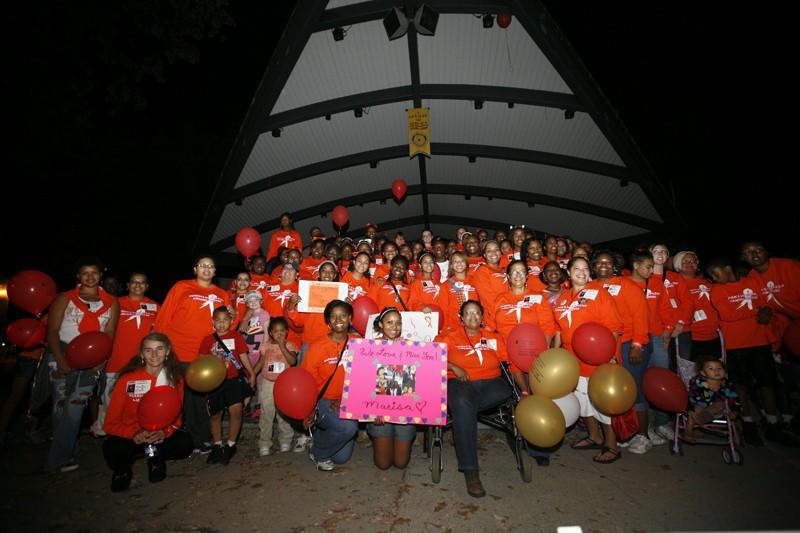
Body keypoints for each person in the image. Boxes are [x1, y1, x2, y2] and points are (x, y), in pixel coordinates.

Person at [435, 300, 524, 497]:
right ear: (461, 317)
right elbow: (431, 357)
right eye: (468, 313)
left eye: (476, 313)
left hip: (492, 384)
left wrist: (524, 390)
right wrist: (452, 366)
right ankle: (470, 471)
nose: (472, 317)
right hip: (460, 383)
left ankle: (464, 413)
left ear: (482, 317)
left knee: (467, 406)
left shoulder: (494, 338)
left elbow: (510, 365)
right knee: (463, 402)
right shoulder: (449, 336)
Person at [45, 256, 120, 472]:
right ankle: (67, 451)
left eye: (94, 273)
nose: (90, 277)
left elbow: (110, 333)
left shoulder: (111, 302)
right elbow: (51, 331)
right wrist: (60, 359)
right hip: (63, 352)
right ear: (78, 276)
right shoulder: (64, 298)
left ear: (100, 276)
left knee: (75, 407)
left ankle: (57, 459)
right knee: (60, 408)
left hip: (93, 358)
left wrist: (102, 360)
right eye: (85, 273)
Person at [706, 257, 790, 445]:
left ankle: (773, 424)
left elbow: (767, 303)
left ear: (727, 268)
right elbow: (727, 314)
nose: (713, 278)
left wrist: (766, 309)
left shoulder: (753, 282)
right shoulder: (717, 290)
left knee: (767, 384)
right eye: (710, 275)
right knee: (740, 386)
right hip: (735, 345)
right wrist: (757, 311)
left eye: (715, 273)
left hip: (760, 342)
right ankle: (748, 424)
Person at [154, 255, 231, 454]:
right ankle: (161, 436)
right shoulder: (181, 287)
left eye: (211, 266)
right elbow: (164, 316)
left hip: (206, 354)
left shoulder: (222, 293)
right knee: (173, 395)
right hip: (178, 350)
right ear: (195, 269)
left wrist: (235, 317)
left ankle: (199, 439)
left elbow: (228, 324)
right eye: (202, 266)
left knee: (198, 398)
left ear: (215, 272)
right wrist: (159, 347)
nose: (206, 269)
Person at [553, 257, 623, 464]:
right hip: (572, 360)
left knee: (602, 403)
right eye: (577, 268)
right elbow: (559, 329)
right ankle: (594, 436)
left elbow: (614, 327)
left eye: (585, 268)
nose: (581, 272)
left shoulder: (599, 294)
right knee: (583, 401)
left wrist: (608, 355)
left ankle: (612, 445)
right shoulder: (563, 297)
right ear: (569, 272)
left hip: (597, 360)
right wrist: (554, 354)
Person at [102, 333, 192, 492]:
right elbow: (110, 423)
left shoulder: (175, 379)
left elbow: (177, 418)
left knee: (184, 443)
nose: (155, 355)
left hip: (158, 433)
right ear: (142, 353)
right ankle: (122, 471)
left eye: (159, 349)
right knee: (113, 447)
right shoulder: (127, 380)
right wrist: (134, 433)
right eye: (148, 350)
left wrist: (165, 431)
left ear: (168, 351)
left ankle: (155, 459)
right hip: (132, 435)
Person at [589, 252, 656, 453]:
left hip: (628, 344)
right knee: (615, 393)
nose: (603, 266)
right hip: (602, 347)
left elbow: (640, 315)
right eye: (599, 263)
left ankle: (643, 436)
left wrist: (637, 345)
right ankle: (627, 432)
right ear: (593, 267)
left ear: (614, 266)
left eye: (608, 262)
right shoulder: (590, 288)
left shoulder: (627, 285)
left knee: (634, 391)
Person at [93, 272, 159, 438]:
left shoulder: (155, 307)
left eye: (142, 283)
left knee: (137, 400)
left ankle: (134, 431)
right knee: (110, 398)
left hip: (140, 363)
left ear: (147, 287)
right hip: (115, 361)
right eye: (134, 282)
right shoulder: (115, 303)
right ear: (128, 285)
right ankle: (106, 431)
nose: (138, 286)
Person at [300, 300, 360, 471]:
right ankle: (318, 452)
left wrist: (344, 399)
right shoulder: (317, 348)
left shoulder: (360, 343)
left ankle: (319, 439)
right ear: (327, 321)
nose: (338, 319)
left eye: (343, 315)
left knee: (341, 458)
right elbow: (307, 383)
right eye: (333, 316)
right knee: (348, 428)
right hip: (323, 401)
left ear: (350, 319)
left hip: (348, 400)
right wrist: (308, 410)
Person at [628, 249, 677, 448]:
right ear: (636, 266)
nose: (651, 270)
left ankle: (662, 422)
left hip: (656, 337)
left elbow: (666, 309)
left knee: (660, 379)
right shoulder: (626, 284)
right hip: (634, 338)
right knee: (637, 383)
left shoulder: (657, 284)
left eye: (651, 267)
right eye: (648, 266)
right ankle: (643, 427)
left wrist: (667, 330)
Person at [198, 307, 255, 464]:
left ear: (231, 321)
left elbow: (243, 356)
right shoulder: (207, 340)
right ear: (213, 322)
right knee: (215, 415)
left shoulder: (236, 336)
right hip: (215, 382)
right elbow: (202, 362)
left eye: (225, 320)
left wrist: (252, 373)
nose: (222, 324)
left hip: (233, 379)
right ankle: (217, 445)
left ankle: (231, 444)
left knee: (235, 412)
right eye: (218, 320)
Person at [366, 308, 416, 469]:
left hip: (405, 409)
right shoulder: (369, 347)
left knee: (401, 463)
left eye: (398, 323)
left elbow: (423, 376)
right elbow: (363, 381)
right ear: (380, 324)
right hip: (379, 412)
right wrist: (372, 409)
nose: (394, 327)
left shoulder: (411, 347)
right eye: (389, 322)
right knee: (383, 464)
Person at [255, 317, 299, 456]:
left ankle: (285, 440)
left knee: (284, 413)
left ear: (286, 332)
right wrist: (251, 374)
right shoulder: (265, 346)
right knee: (266, 413)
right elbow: (261, 362)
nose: (279, 334)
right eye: (275, 331)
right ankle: (264, 442)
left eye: (282, 331)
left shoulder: (290, 345)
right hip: (267, 383)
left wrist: (282, 346)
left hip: (284, 384)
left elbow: (292, 361)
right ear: (270, 333)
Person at [673, 251, 722, 361]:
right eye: (685, 261)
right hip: (691, 337)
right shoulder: (674, 285)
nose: (689, 263)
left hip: (715, 334)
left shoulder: (708, 282)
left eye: (693, 261)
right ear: (677, 265)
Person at [685, 355, 738, 442]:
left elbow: (734, 398)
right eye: (711, 369)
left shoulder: (726, 384)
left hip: (715, 409)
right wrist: (692, 407)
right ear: (703, 373)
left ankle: (695, 423)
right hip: (698, 405)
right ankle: (689, 430)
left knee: (720, 404)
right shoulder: (698, 383)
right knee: (695, 408)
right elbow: (691, 396)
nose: (716, 371)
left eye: (719, 368)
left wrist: (734, 410)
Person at [471, 240, 508, 326]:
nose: (493, 253)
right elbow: (488, 300)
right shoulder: (482, 271)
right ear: (484, 255)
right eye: (489, 251)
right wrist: (504, 312)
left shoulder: (504, 270)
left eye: (496, 249)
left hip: (508, 313)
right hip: (493, 318)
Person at [443, 252, 479, 333]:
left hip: (474, 324)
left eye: (462, 260)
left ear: (466, 263)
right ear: (451, 265)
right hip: (454, 326)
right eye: (455, 261)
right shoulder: (446, 285)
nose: (459, 263)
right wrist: (446, 327)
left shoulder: (476, 280)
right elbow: (444, 308)